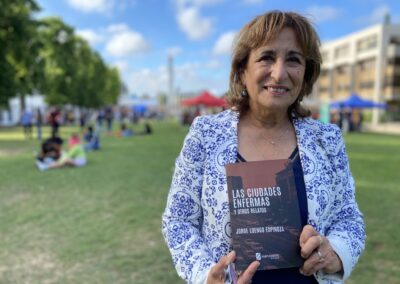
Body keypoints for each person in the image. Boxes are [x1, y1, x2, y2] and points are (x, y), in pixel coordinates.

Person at [162, 11, 365, 284]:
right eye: (267, 57)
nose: (279, 73)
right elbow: (178, 220)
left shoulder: (327, 139)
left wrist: (335, 252)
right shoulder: (205, 135)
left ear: (306, 73)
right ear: (243, 69)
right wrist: (204, 276)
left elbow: (348, 217)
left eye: (293, 59)